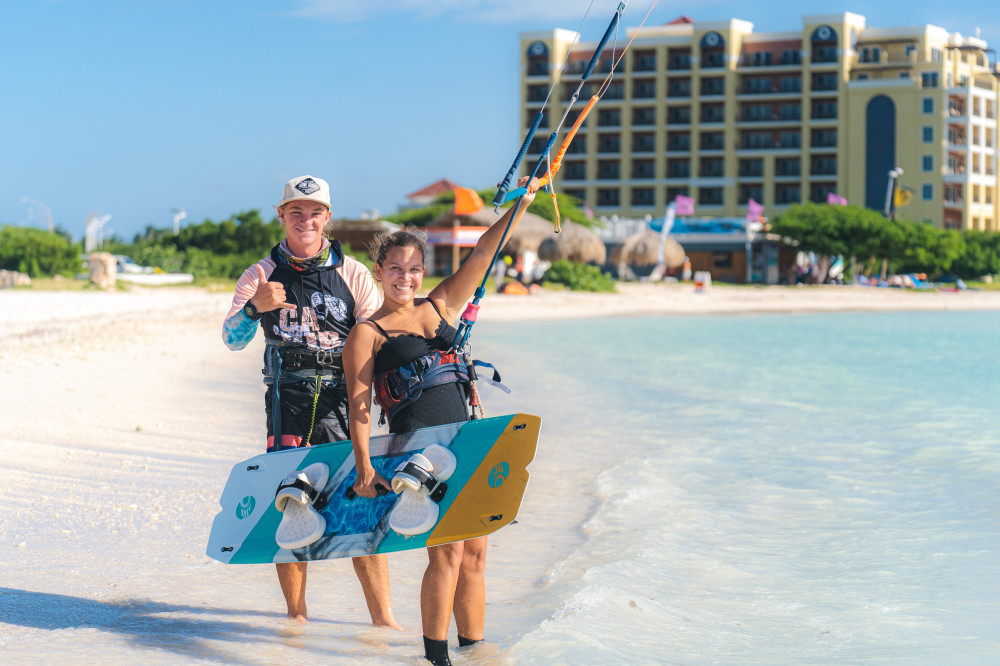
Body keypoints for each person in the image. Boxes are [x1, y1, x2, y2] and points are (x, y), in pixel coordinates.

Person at [343, 177, 539, 666]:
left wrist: (521, 206)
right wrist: (365, 467)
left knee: (476, 555)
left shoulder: (440, 304)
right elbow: (360, 406)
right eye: (395, 269)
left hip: (470, 437)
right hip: (419, 448)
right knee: (445, 554)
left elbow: (482, 255)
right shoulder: (367, 334)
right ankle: (436, 657)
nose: (405, 278)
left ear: (422, 271)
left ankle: (474, 651)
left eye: (413, 269)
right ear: (379, 272)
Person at [222, 174, 400, 628]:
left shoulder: (354, 273)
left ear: (327, 218)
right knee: (292, 503)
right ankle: (297, 616)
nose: (306, 220)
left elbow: (378, 338)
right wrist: (253, 308)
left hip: (343, 400)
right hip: (288, 401)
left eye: (315, 212)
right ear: (281, 215)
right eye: (296, 212)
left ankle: (383, 621)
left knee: (360, 501)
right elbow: (231, 339)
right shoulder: (259, 274)